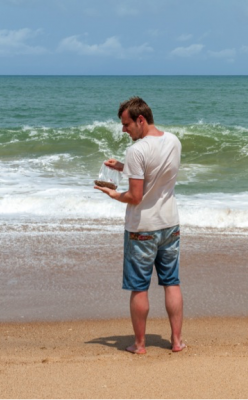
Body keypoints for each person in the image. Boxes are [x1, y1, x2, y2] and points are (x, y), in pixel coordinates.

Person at [95, 96, 185, 354]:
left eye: (126, 124)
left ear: (140, 120)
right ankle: (177, 342)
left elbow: (135, 196)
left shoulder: (136, 150)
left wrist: (113, 194)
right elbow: (156, 173)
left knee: (139, 287)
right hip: (170, 224)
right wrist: (123, 167)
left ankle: (140, 344)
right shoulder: (173, 140)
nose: (123, 130)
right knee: (172, 282)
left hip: (142, 229)